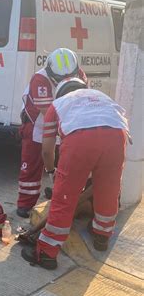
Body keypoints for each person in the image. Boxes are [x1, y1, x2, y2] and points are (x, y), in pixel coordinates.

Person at [21, 78, 129, 270]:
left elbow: (47, 150)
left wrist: (51, 171)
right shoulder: (101, 97)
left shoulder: (58, 105)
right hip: (116, 136)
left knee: (65, 197)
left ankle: (46, 253)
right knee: (108, 189)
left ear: (61, 92)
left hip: (80, 142)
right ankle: (102, 235)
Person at [16, 48, 86, 218]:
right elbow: (46, 111)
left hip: (64, 123)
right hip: (37, 125)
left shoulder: (79, 74)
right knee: (31, 166)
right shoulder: (40, 79)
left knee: (64, 164)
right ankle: (25, 203)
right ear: (50, 71)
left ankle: (58, 192)